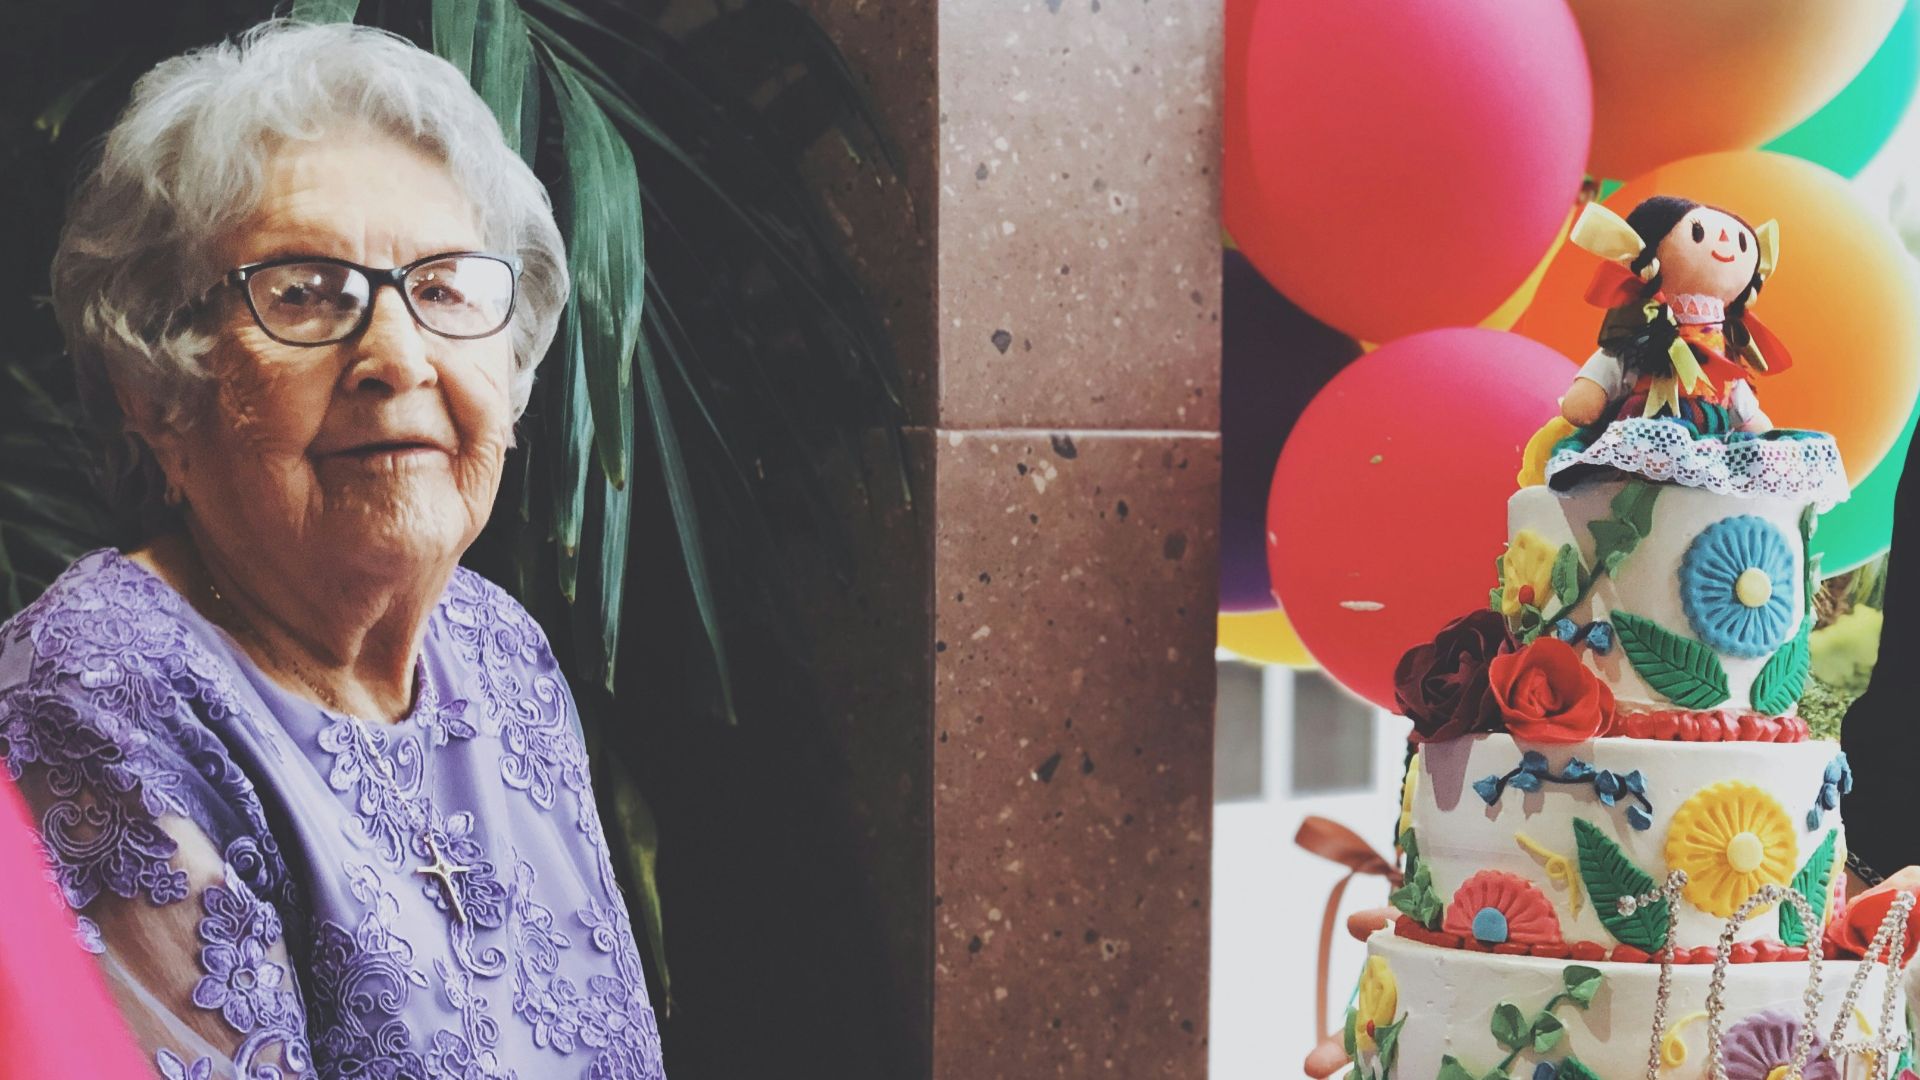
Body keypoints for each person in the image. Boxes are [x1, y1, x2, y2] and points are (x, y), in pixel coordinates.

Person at [0, 20, 665, 1078]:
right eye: (304, 294)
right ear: (159, 391)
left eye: (441, 289)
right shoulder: (99, 696)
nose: (397, 356)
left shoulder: (496, 649)